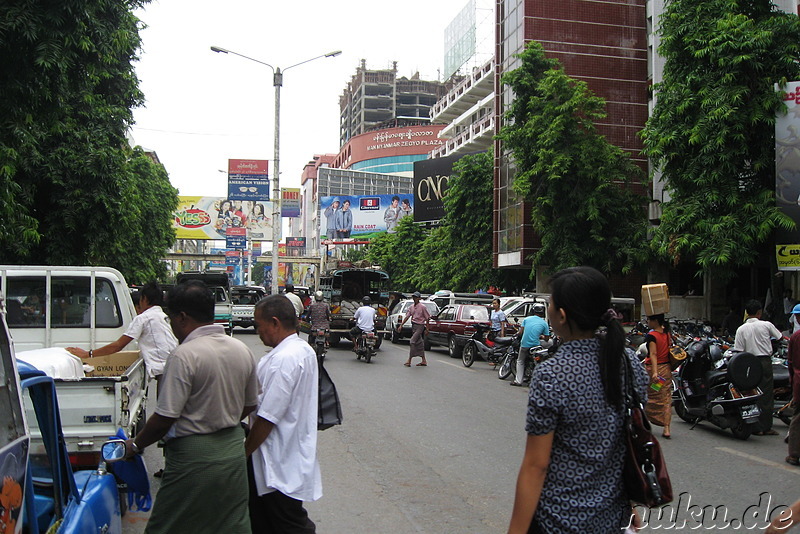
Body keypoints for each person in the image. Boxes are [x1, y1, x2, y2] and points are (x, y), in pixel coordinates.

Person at [507, 266, 649, 534]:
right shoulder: (629, 362)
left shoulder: (552, 373)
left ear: (561, 315)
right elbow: (622, 442)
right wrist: (629, 506)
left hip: (558, 521)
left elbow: (536, 466)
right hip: (614, 520)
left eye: (550, 303)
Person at [122, 281, 259, 534]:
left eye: (171, 319)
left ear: (182, 317)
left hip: (193, 457)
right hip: (232, 454)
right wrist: (222, 416)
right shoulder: (242, 349)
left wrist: (136, 445)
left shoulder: (184, 355)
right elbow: (250, 403)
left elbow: (164, 417)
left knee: (168, 525)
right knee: (229, 524)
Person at [245, 295, 321, 533]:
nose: (258, 331)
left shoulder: (285, 359)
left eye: (259, 325)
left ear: (275, 323)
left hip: (277, 462)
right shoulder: (301, 350)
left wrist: (244, 453)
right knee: (265, 521)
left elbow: (267, 417)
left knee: (288, 524)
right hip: (285, 457)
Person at [67, 282, 177, 394]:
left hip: (166, 373)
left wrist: (88, 354)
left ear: (144, 299)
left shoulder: (144, 318)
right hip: (175, 367)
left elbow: (118, 345)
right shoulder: (163, 316)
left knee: (165, 410)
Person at [734, 299, 783, 436]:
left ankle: (754, 426)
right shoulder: (766, 325)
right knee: (766, 395)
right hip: (764, 362)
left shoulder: (741, 328)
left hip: (748, 362)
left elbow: (738, 350)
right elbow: (779, 338)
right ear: (759, 312)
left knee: (750, 394)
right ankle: (765, 427)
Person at [643, 313, 673, 438]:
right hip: (666, 370)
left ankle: (646, 422)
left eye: (649, 319)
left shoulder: (652, 336)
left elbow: (653, 354)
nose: (647, 322)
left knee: (651, 396)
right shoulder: (667, 333)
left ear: (655, 321)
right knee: (665, 398)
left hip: (654, 371)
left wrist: (655, 372)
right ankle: (666, 428)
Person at [510, 302, 550, 387]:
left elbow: (521, 332)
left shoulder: (526, 319)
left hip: (524, 345)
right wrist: (541, 336)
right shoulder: (544, 323)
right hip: (536, 346)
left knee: (520, 361)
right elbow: (547, 338)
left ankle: (518, 381)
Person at [398, 291, 431, 367]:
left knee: (412, 341)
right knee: (419, 343)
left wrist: (427, 329)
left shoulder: (423, 307)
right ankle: (424, 360)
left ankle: (409, 360)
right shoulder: (411, 307)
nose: (414, 299)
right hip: (414, 326)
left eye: (416, 297)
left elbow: (427, 318)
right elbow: (407, 316)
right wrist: (401, 325)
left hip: (420, 326)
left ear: (419, 298)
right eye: (413, 297)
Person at [786, 304, 800, 466]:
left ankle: (795, 454)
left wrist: (792, 382)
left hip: (798, 381)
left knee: (797, 418)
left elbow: (790, 363)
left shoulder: (796, 337)